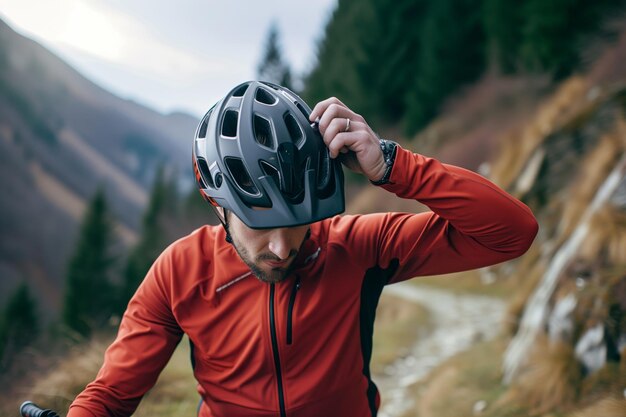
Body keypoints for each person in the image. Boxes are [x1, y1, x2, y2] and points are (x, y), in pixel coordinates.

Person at [67, 81, 538, 417]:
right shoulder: (180, 272)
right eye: (260, 224)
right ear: (218, 205)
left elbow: (511, 232)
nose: (281, 246)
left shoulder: (354, 247)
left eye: (297, 223)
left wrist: (392, 166)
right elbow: (110, 395)